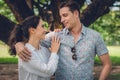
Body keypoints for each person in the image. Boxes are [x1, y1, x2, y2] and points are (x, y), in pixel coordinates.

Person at [14, 1, 112, 80]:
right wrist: (18, 44)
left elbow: (107, 64)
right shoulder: (55, 36)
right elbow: (33, 40)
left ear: (76, 13)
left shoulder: (95, 36)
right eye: (61, 16)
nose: (61, 20)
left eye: (65, 15)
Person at [8, 16, 60, 80]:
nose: (45, 30)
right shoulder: (26, 53)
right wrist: (54, 52)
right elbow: (49, 71)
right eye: (42, 26)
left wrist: (58, 33)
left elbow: (54, 64)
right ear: (32, 30)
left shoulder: (44, 49)